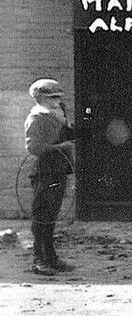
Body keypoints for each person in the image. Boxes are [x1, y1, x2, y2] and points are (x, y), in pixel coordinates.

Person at [24, 78, 77, 276]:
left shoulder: (59, 114)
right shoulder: (37, 117)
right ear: (40, 98)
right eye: (51, 97)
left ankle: (51, 257)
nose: (56, 100)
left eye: (58, 96)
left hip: (59, 169)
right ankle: (39, 260)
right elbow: (33, 147)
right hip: (45, 170)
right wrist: (59, 147)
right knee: (42, 216)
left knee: (51, 215)